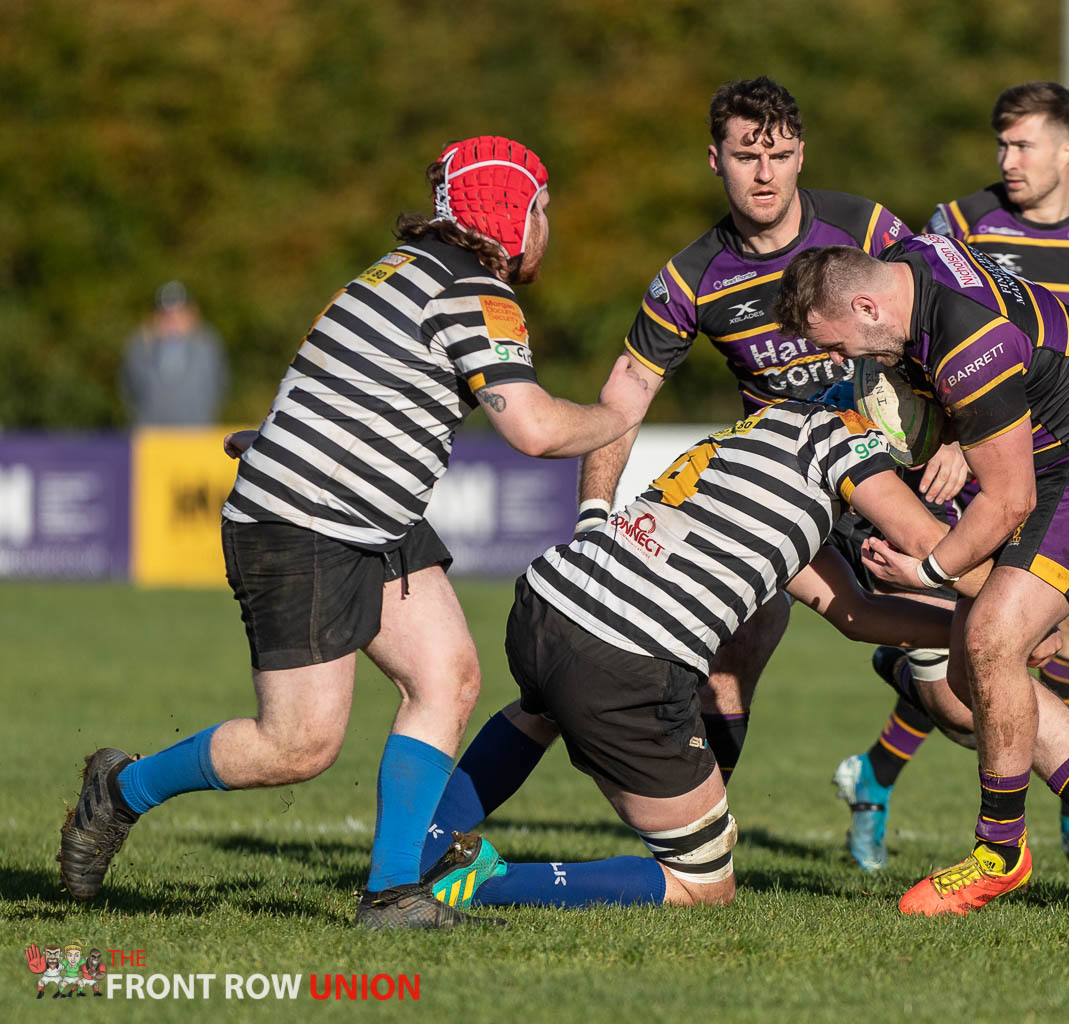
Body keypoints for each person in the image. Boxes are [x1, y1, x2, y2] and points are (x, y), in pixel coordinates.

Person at [57, 135, 653, 931]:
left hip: (368, 513)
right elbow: (535, 429)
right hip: (305, 521)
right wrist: (617, 417)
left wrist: (283, 440)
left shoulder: (396, 268)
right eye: (543, 209)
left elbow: (341, 377)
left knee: (447, 676)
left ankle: (393, 892)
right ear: (512, 214)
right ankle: (121, 788)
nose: (549, 226)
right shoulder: (474, 291)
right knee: (298, 745)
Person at [412, 397, 1058, 912]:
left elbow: (857, 615)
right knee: (703, 882)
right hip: (625, 658)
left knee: (541, 711)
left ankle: (420, 849)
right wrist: (1017, 616)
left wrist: (968, 635)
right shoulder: (844, 440)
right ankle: (482, 883)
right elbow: (923, 541)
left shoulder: (774, 431)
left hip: (549, 603)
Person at [571, 75, 963, 796]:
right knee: (735, 648)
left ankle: (916, 683)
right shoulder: (691, 276)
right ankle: (697, 829)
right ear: (714, 159)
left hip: (896, 481)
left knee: (961, 709)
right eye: (746, 155)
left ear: (801, 156)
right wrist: (593, 516)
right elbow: (623, 398)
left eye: (779, 156)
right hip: (788, 491)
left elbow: (955, 316)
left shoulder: (866, 228)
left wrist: (960, 435)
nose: (764, 173)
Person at [773, 235, 1069, 915]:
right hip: (1054, 462)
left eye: (840, 345)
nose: (846, 362)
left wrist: (928, 570)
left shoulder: (968, 345)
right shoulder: (913, 257)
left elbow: (1010, 501)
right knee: (971, 679)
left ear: (869, 305)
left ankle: (999, 855)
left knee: (993, 637)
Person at [835, 81, 1069, 875]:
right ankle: (913, 785)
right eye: (1001, 144)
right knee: (979, 639)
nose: (1006, 160)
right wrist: (957, 435)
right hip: (986, 452)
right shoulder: (960, 222)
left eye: (1022, 144)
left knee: (1022, 636)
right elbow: (929, 340)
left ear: (1067, 149)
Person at [119, 280, 230, 425]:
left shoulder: (208, 343)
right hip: (151, 433)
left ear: (191, 313)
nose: (173, 319)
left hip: (197, 432)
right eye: (166, 314)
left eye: (179, 312)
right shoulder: (140, 346)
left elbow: (220, 384)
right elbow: (127, 389)